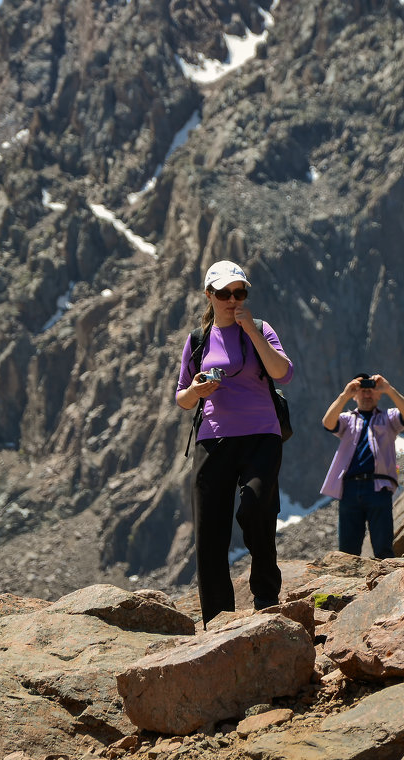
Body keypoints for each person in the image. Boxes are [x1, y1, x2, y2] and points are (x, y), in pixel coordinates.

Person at [175, 260, 293, 626]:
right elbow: (182, 397)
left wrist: (251, 332)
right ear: (209, 295)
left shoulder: (260, 329)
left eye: (239, 292)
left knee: (257, 506)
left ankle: (265, 592)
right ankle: (217, 617)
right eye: (224, 293)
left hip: (261, 434)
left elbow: (283, 373)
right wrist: (197, 389)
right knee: (209, 530)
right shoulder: (197, 340)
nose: (232, 299)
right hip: (214, 439)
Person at [320, 373, 404, 559]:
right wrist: (345, 395)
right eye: (361, 391)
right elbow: (328, 423)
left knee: (383, 547)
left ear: (378, 394)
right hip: (349, 487)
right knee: (348, 551)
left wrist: (389, 389)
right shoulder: (348, 419)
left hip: (379, 486)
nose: (366, 395)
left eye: (371, 391)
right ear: (355, 395)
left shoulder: (388, 418)